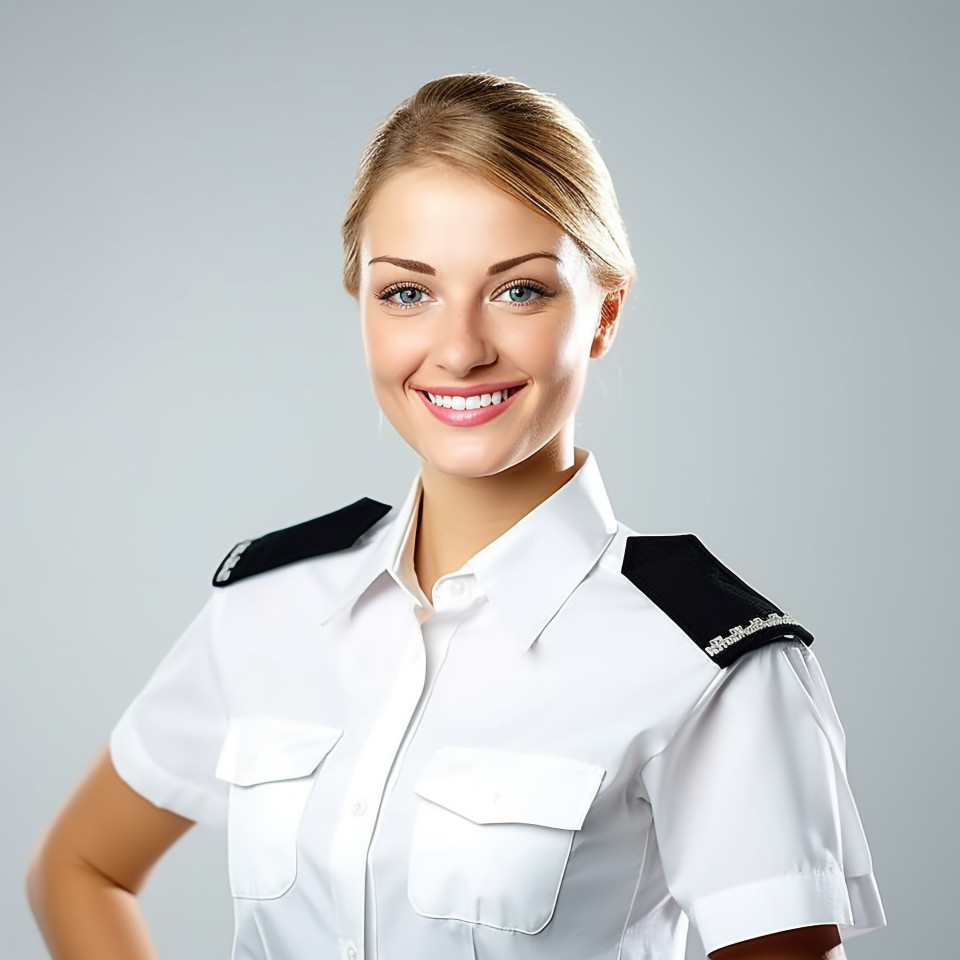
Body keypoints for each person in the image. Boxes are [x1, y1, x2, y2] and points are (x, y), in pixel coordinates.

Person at [26, 72, 886, 960]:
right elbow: (79, 868)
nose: (462, 350)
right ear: (362, 304)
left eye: (519, 291)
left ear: (605, 314)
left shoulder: (706, 667)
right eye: (408, 292)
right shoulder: (270, 604)